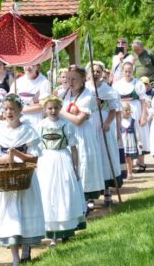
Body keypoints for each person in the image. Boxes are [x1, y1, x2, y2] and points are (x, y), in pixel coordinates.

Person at [0, 94, 45, 266]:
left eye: (12, 109)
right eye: (6, 109)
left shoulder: (28, 130)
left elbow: (34, 158)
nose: (9, 112)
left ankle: (26, 248)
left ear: (20, 111)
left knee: (24, 209)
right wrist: (5, 159)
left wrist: (17, 154)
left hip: (24, 176)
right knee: (9, 213)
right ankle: (15, 256)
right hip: (6, 177)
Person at [37, 96, 85, 247]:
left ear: (60, 109)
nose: (53, 111)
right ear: (45, 109)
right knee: (48, 193)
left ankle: (66, 229)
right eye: (50, 108)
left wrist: (76, 168)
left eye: (56, 108)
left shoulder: (66, 125)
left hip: (63, 159)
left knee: (64, 192)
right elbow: (35, 147)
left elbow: (74, 148)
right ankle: (52, 234)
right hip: (46, 160)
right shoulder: (40, 125)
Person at [60, 65, 104, 213]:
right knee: (68, 166)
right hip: (67, 134)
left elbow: (79, 120)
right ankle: (72, 200)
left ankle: (86, 200)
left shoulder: (87, 96)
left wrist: (59, 111)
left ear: (83, 80)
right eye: (68, 78)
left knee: (83, 165)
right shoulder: (64, 93)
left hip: (82, 135)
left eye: (74, 79)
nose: (71, 82)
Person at [85, 61, 122, 205]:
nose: (95, 74)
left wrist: (107, 123)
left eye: (98, 71)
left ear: (102, 73)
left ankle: (107, 192)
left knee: (105, 157)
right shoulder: (85, 88)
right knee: (92, 157)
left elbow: (113, 109)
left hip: (103, 125)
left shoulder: (108, 89)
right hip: (89, 125)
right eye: (93, 71)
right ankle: (91, 196)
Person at [112, 62, 150, 173]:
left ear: (132, 71)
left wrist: (143, 116)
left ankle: (141, 162)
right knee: (125, 135)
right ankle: (129, 164)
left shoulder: (138, 84)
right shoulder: (117, 85)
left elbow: (143, 101)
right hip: (122, 110)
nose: (128, 73)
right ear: (122, 71)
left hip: (135, 110)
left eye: (130, 71)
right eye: (126, 71)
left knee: (139, 134)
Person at [10, 64, 50, 128]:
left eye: (32, 65)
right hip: (18, 121)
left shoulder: (44, 82)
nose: (28, 67)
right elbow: (10, 101)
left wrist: (21, 110)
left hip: (35, 122)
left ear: (37, 66)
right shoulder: (18, 82)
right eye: (26, 64)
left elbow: (43, 105)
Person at [120, 102, 140, 180]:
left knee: (128, 159)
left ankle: (129, 173)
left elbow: (137, 132)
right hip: (122, 142)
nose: (128, 111)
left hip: (130, 142)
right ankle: (122, 173)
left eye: (129, 110)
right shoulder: (120, 121)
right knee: (122, 159)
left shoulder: (133, 121)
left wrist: (139, 141)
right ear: (121, 111)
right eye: (126, 110)